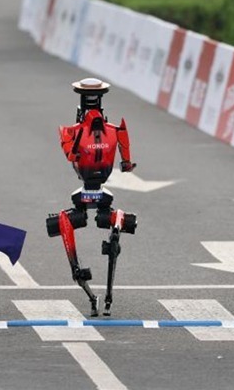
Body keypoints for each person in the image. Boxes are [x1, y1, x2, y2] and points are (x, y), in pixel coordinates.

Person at [46, 78, 137, 316]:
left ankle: (78, 271)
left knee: (65, 221)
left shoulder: (71, 132)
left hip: (84, 188)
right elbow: (126, 162)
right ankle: (115, 228)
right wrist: (124, 163)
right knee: (113, 219)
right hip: (103, 190)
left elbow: (70, 154)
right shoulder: (116, 130)